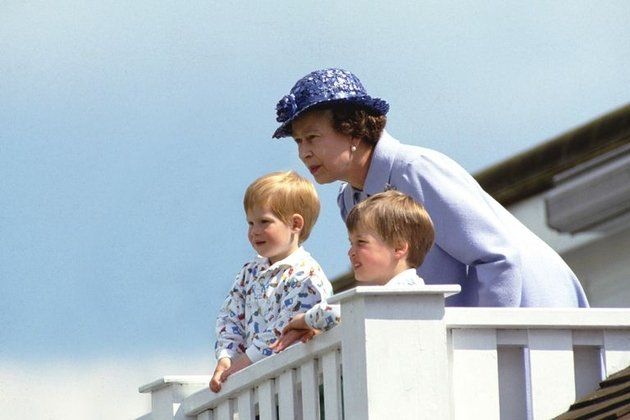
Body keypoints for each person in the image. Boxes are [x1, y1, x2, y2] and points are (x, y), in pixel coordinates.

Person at [271, 68, 589, 308]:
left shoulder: (415, 169)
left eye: (312, 137)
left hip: (537, 319)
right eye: (299, 141)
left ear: (353, 130)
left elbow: (498, 257)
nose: (303, 153)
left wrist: (483, 349)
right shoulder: (350, 198)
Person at [210, 171, 333, 392]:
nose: (254, 232)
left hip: (296, 384)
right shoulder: (250, 272)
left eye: (264, 222)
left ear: (296, 224)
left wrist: (243, 363)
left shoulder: (307, 275)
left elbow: (285, 327)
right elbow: (230, 315)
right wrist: (227, 356)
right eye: (250, 223)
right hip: (257, 386)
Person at [271, 190, 435, 352]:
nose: (351, 252)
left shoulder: (403, 290)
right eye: (351, 243)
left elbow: (334, 313)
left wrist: (303, 320)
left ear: (398, 248)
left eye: (361, 242)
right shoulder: (393, 293)